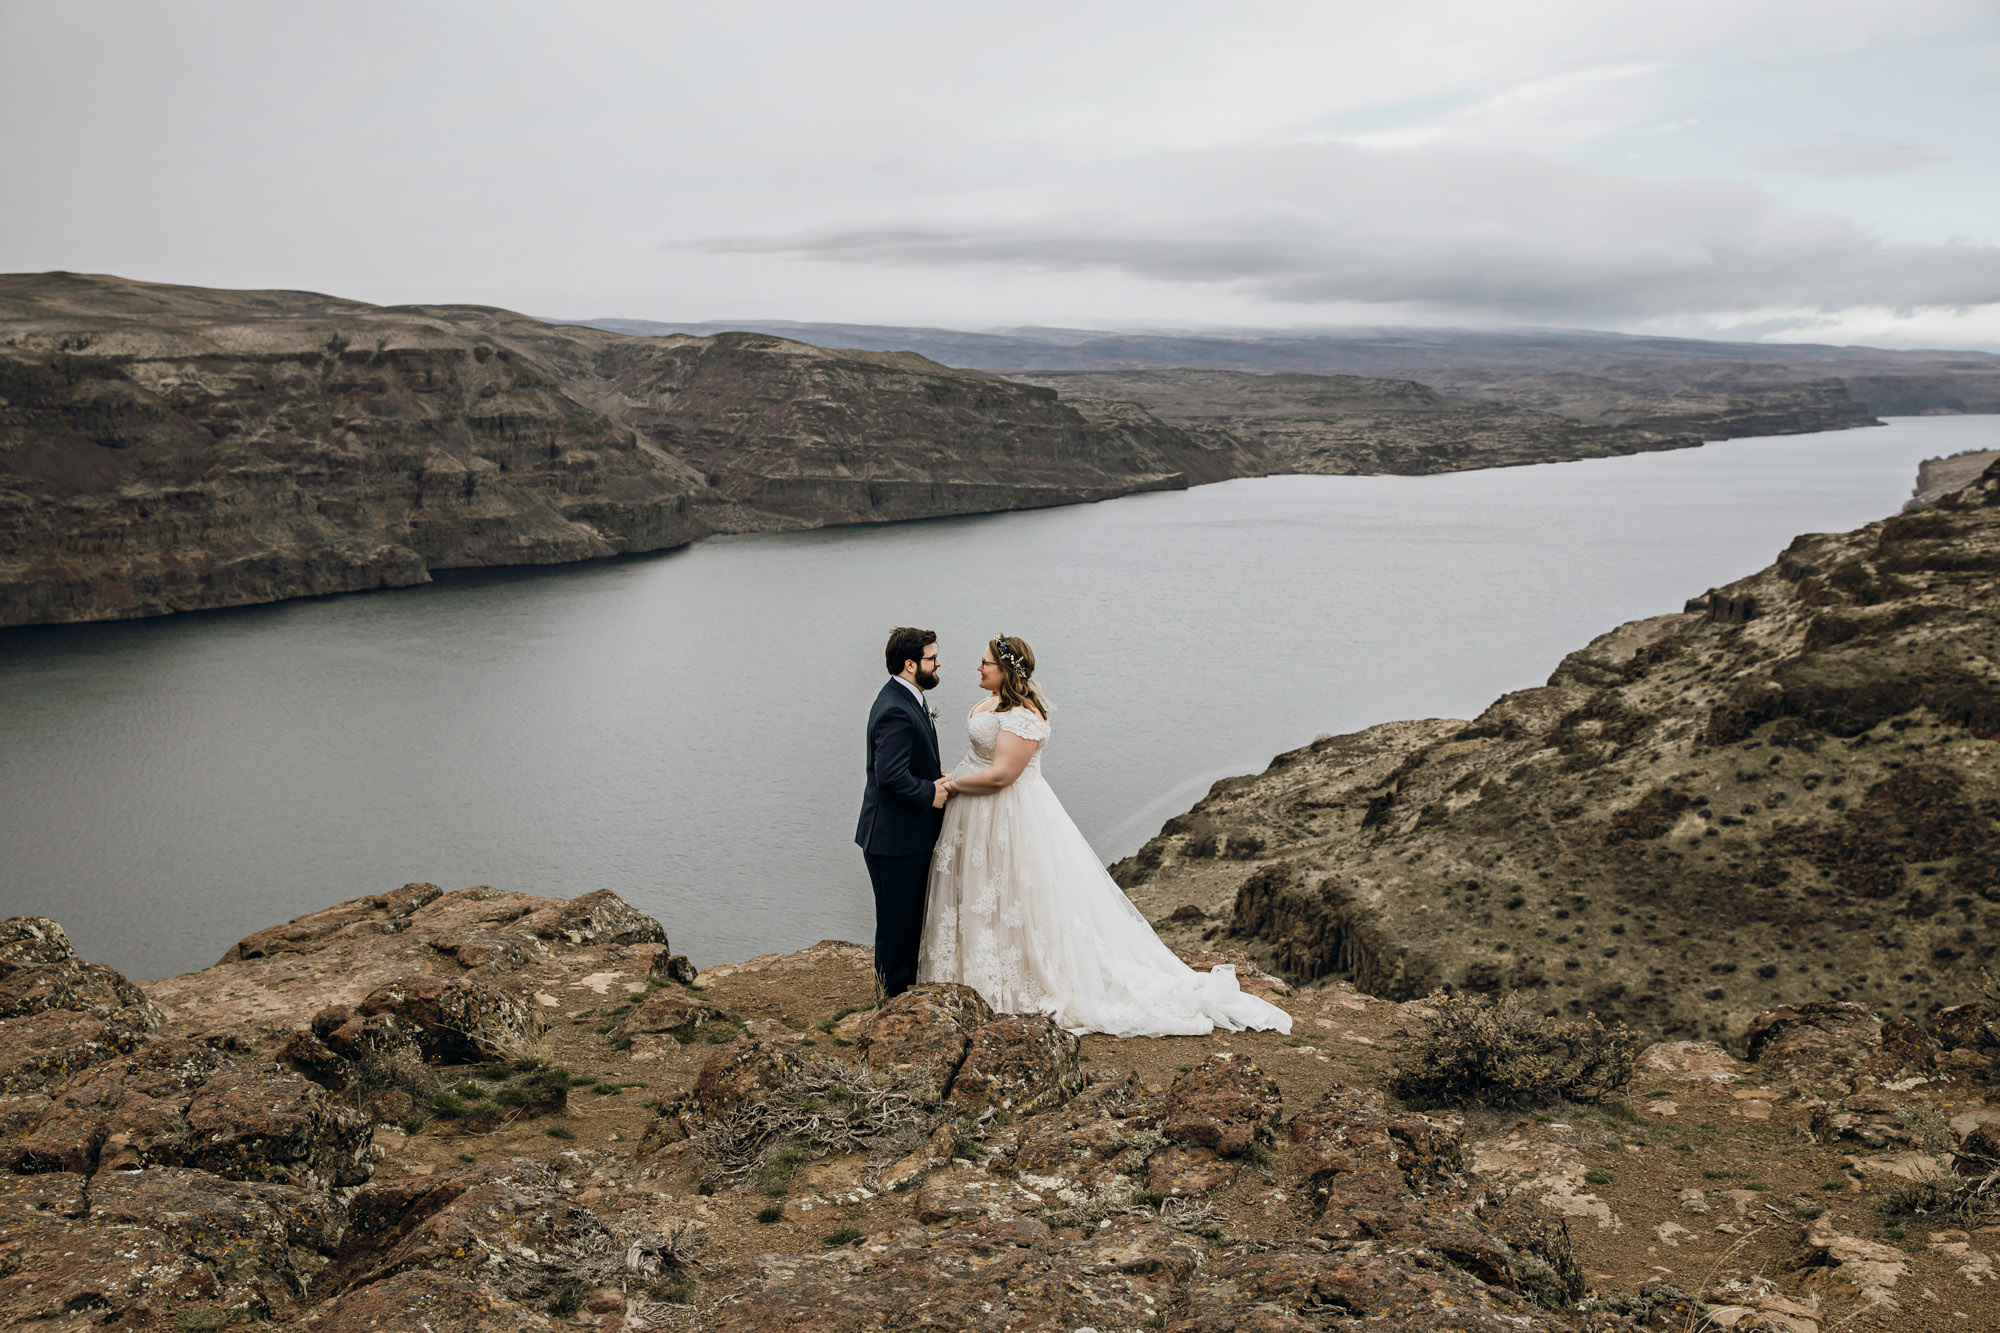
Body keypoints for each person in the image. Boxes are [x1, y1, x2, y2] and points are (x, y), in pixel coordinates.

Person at [917, 635, 1292, 1038]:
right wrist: (953, 777)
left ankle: (1015, 979)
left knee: (1015, 895)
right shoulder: (989, 703)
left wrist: (954, 787)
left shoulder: (1024, 715)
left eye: (985, 662)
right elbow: (980, 759)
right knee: (981, 892)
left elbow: (1002, 775)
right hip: (975, 813)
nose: (978, 666)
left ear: (1006, 669)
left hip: (1007, 813)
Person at [855, 626, 951, 998]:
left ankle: (898, 998)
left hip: (900, 835)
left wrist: (932, 777)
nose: (938, 662)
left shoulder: (905, 698)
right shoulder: (896, 708)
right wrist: (931, 793)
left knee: (907, 923)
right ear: (911, 664)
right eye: (931, 657)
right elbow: (890, 775)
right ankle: (892, 1003)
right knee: (897, 926)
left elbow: (902, 765)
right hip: (893, 840)